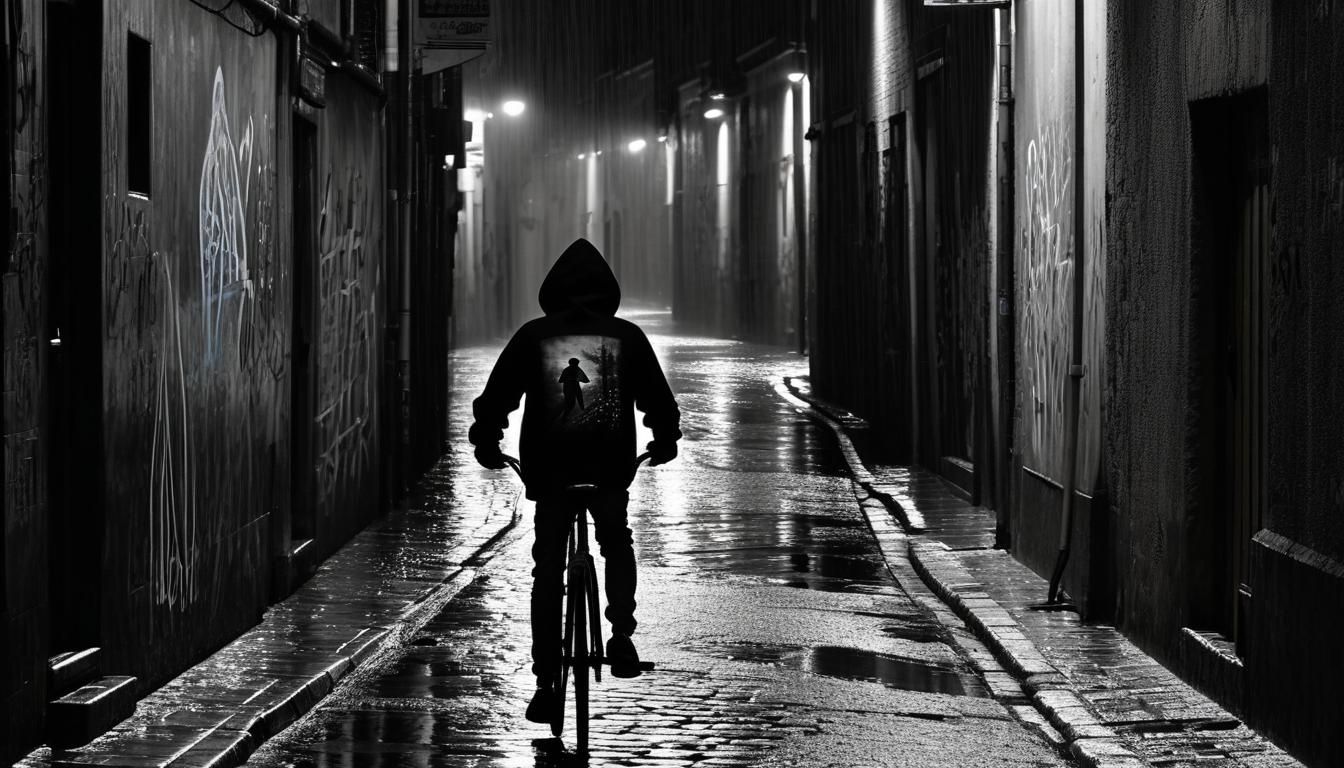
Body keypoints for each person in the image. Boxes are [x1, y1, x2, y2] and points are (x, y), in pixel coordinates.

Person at [468, 237, 681, 724]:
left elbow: (497, 396)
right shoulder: (627, 337)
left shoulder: (532, 336)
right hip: (609, 467)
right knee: (615, 541)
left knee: (547, 570)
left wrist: (487, 439)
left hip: (551, 470)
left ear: (552, 291)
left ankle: (546, 681)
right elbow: (657, 399)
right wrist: (664, 438)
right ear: (609, 292)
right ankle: (622, 635)